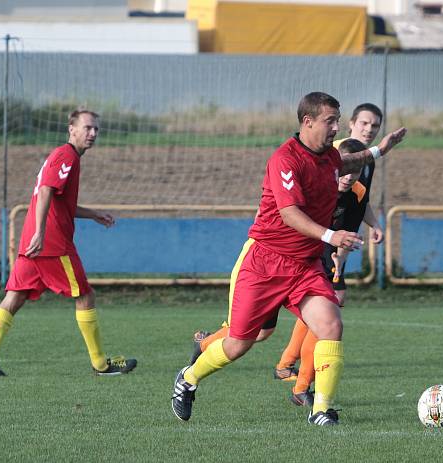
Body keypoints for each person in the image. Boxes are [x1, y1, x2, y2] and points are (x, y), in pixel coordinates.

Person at [171, 92, 406, 426]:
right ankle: (188, 378)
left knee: (331, 324)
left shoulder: (329, 157)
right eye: (330, 121)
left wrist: (381, 150)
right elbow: (289, 213)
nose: (336, 127)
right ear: (307, 122)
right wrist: (331, 236)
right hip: (265, 262)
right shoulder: (286, 159)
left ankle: (321, 409)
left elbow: (349, 162)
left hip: (304, 265)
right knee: (240, 342)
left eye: (338, 120)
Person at [0, 110, 137, 377]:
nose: (93, 133)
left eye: (96, 129)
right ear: (71, 129)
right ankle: (101, 365)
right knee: (85, 295)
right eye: (87, 128)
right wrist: (41, 232)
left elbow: (60, 202)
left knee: (15, 296)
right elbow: (47, 190)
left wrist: (93, 214)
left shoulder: (66, 157)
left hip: (34, 241)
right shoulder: (67, 155)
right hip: (52, 243)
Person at [273, 103, 385, 383]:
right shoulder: (332, 153)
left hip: (338, 242)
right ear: (350, 124)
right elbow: (305, 205)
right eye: (364, 124)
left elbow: (361, 197)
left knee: (325, 310)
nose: (369, 130)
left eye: (374, 126)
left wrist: (373, 224)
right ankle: (295, 374)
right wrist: (329, 241)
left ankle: (295, 374)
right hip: (316, 242)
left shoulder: (365, 160)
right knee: (323, 308)